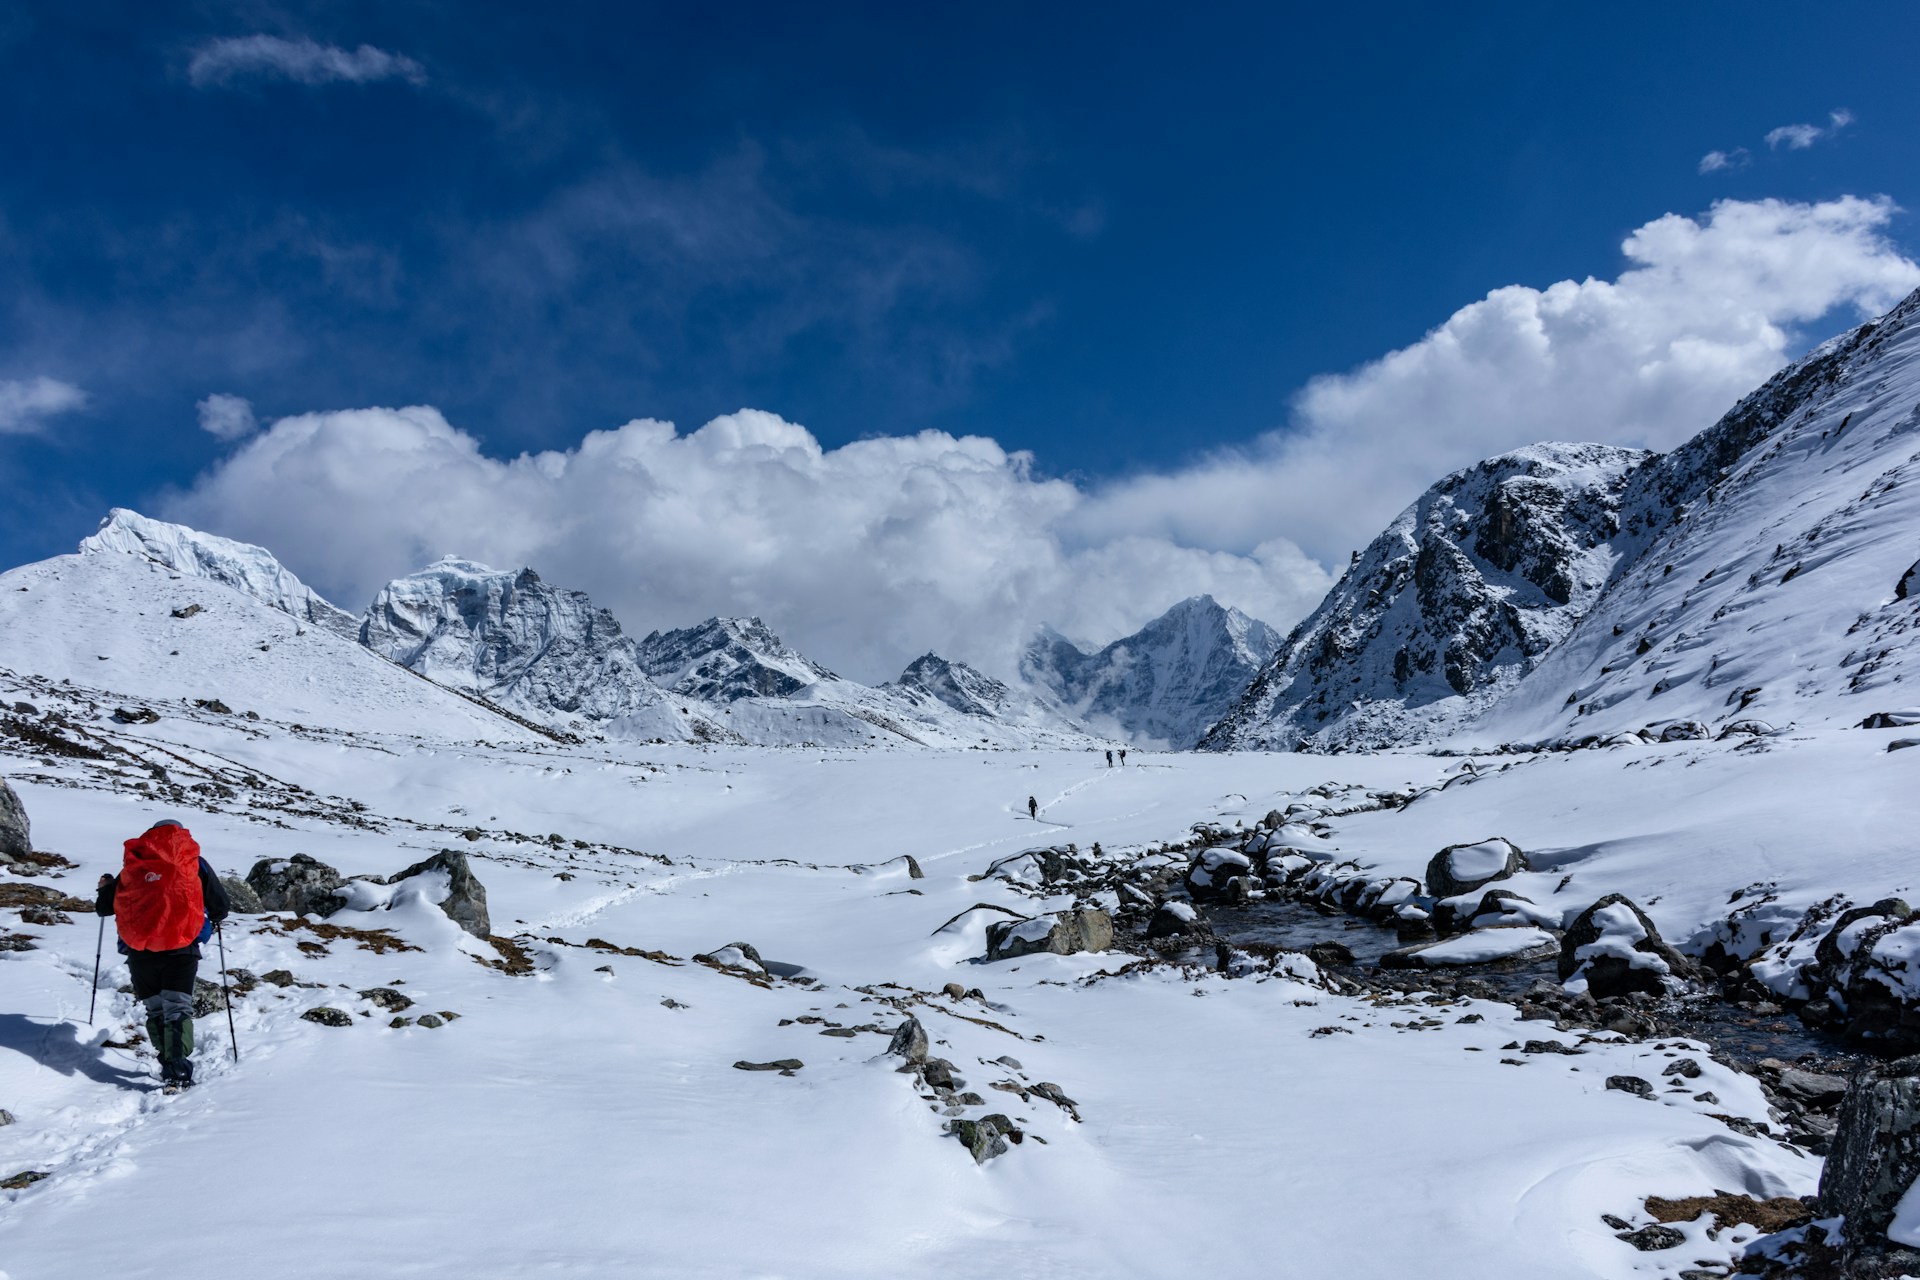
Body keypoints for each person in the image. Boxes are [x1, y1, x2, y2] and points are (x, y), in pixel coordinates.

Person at [96, 820, 230, 1089]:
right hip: (182, 948)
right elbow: (221, 906)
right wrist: (211, 918)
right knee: (177, 1007)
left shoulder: (135, 864)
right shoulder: (193, 861)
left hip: (139, 951)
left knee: (156, 1008)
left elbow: (103, 908)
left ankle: (168, 1063)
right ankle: (177, 1070)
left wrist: (103, 888)